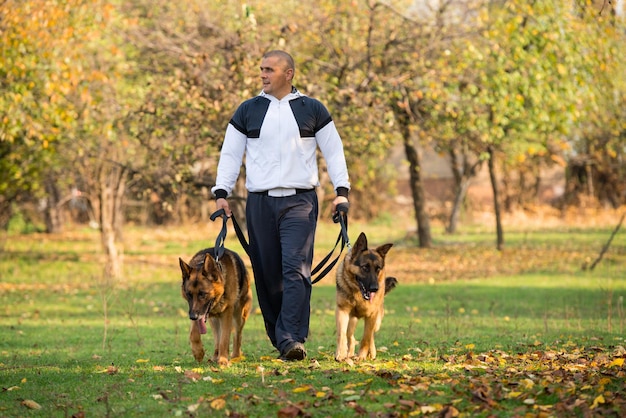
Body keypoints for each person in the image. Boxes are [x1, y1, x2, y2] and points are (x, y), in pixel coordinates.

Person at [211, 50, 350, 361]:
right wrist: (222, 191)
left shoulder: (311, 109)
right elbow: (230, 154)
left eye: (269, 69)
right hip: (259, 203)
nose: (263, 74)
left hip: (300, 202)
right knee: (267, 273)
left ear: (288, 74)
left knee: (296, 269)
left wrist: (342, 192)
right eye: (261, 69)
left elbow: (334, 151)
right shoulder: (248, 110)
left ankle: (293, 338)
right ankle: (280, 337)